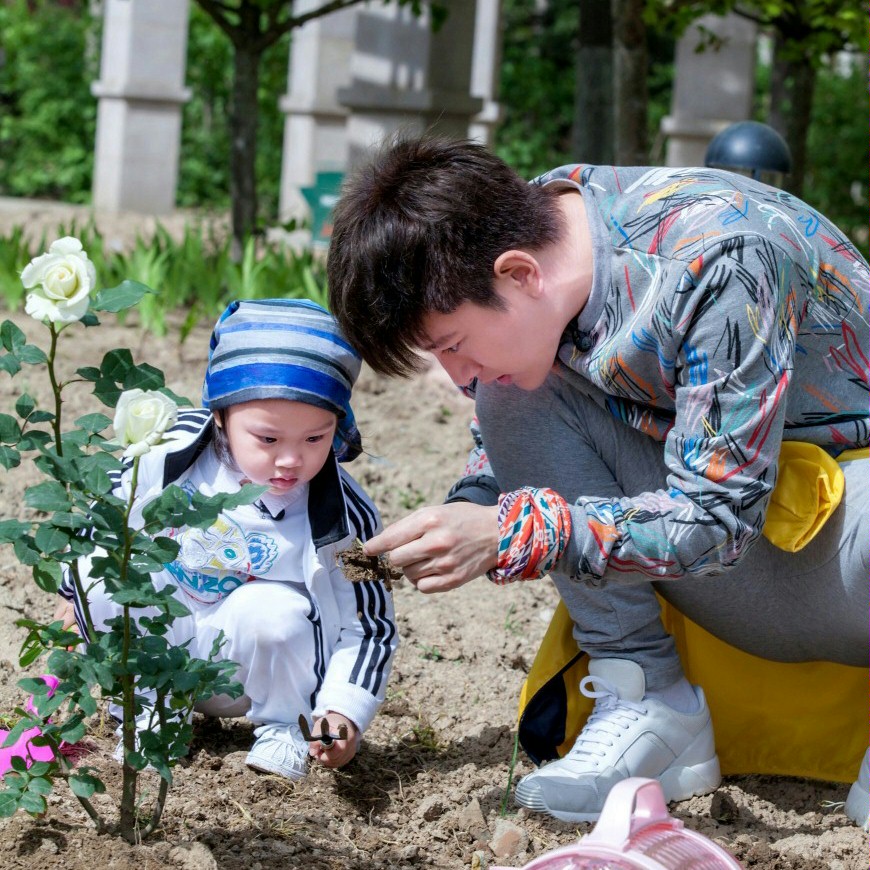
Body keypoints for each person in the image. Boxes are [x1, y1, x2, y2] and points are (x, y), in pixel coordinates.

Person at [326, 136, 870, 824]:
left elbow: (717, 526)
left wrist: (516, 533)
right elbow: (518, 426)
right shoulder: (549, 221)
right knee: (515, 386)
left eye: (452, 346)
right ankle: (645, 702)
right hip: (753, 568)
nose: (455, 378)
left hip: (839, 562)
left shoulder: (724, 259)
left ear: (520, 273)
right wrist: (469, 507)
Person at [57, 299, 398, 780]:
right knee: (111, 570)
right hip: (161, 649)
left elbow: (371, 623)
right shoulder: (166, 450)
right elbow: (101, 515)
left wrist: (344, 711)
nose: (291, 461)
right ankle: (151, 713)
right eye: (268, 439)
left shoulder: (348, 516)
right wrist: (73, 602)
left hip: (250, 672)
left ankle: (283, 726)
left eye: (315, 439)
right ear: (220, 416)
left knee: (275, 613)